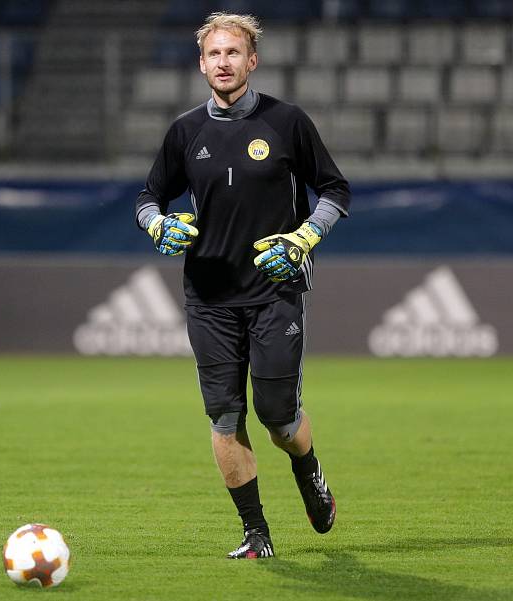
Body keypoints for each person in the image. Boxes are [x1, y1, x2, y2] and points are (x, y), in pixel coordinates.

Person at [135, 12, 351, 559]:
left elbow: (335, 191)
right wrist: (158, 225)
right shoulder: (185, 131)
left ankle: (307, 468)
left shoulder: (287, 122)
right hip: (208, 296)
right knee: (224, 416)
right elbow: (147, 199)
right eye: (214, 54)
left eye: (234, 53)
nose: (223, 62)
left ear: (251, 61)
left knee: (278, 418)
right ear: (201, 63)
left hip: (274, 292)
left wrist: (305, 236)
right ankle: (256, 533)